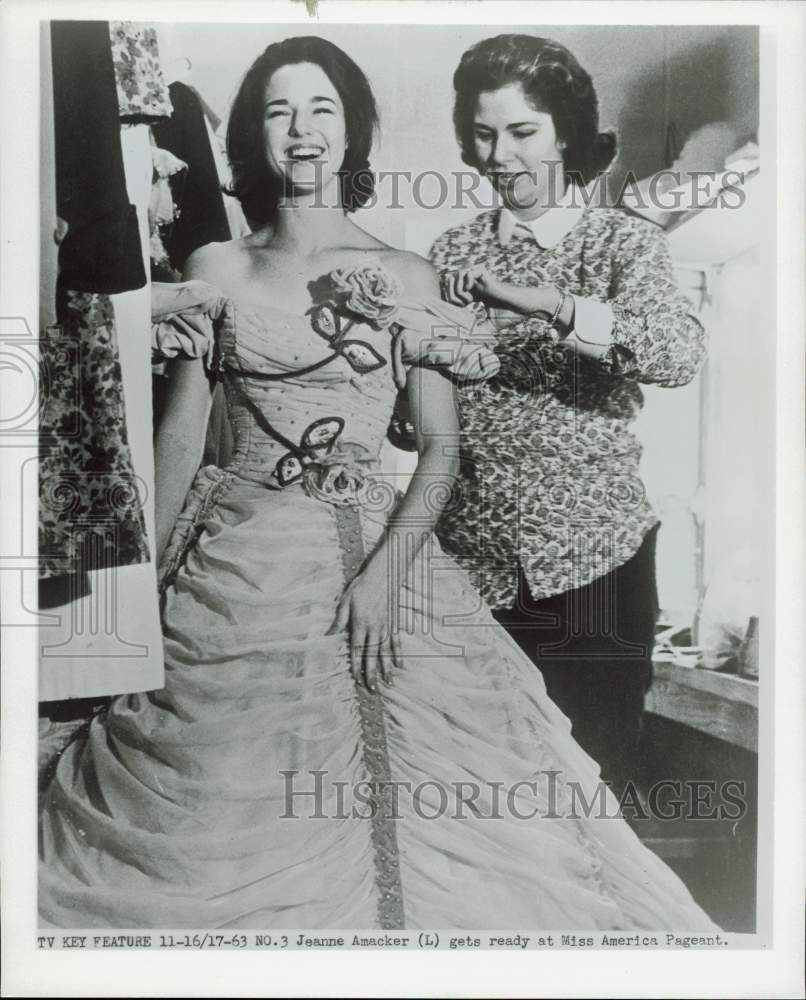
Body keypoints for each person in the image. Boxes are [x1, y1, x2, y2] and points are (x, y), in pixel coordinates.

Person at [39, 35, 716, 932]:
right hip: (263, 570)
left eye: (322, 109)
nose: (302, 130)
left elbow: (455, 438)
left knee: (523, 820)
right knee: (225, 795)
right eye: (280, 111)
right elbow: (182, 449)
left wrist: (384, 570)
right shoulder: (219, 270)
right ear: (253, 135)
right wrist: (118, 614)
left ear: (354, 133)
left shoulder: (473, 265)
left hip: (547, 562)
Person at [429, 34, 707, 796]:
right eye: (483, 134)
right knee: (481, 804)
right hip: (473, 576)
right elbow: (424, 423)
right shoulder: (449, 252)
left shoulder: (623, 244)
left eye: (522, 132)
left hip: (599, 569)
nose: (499, 155)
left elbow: (678, 356)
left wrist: (553, 305)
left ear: (566, 135)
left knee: (597, 797)